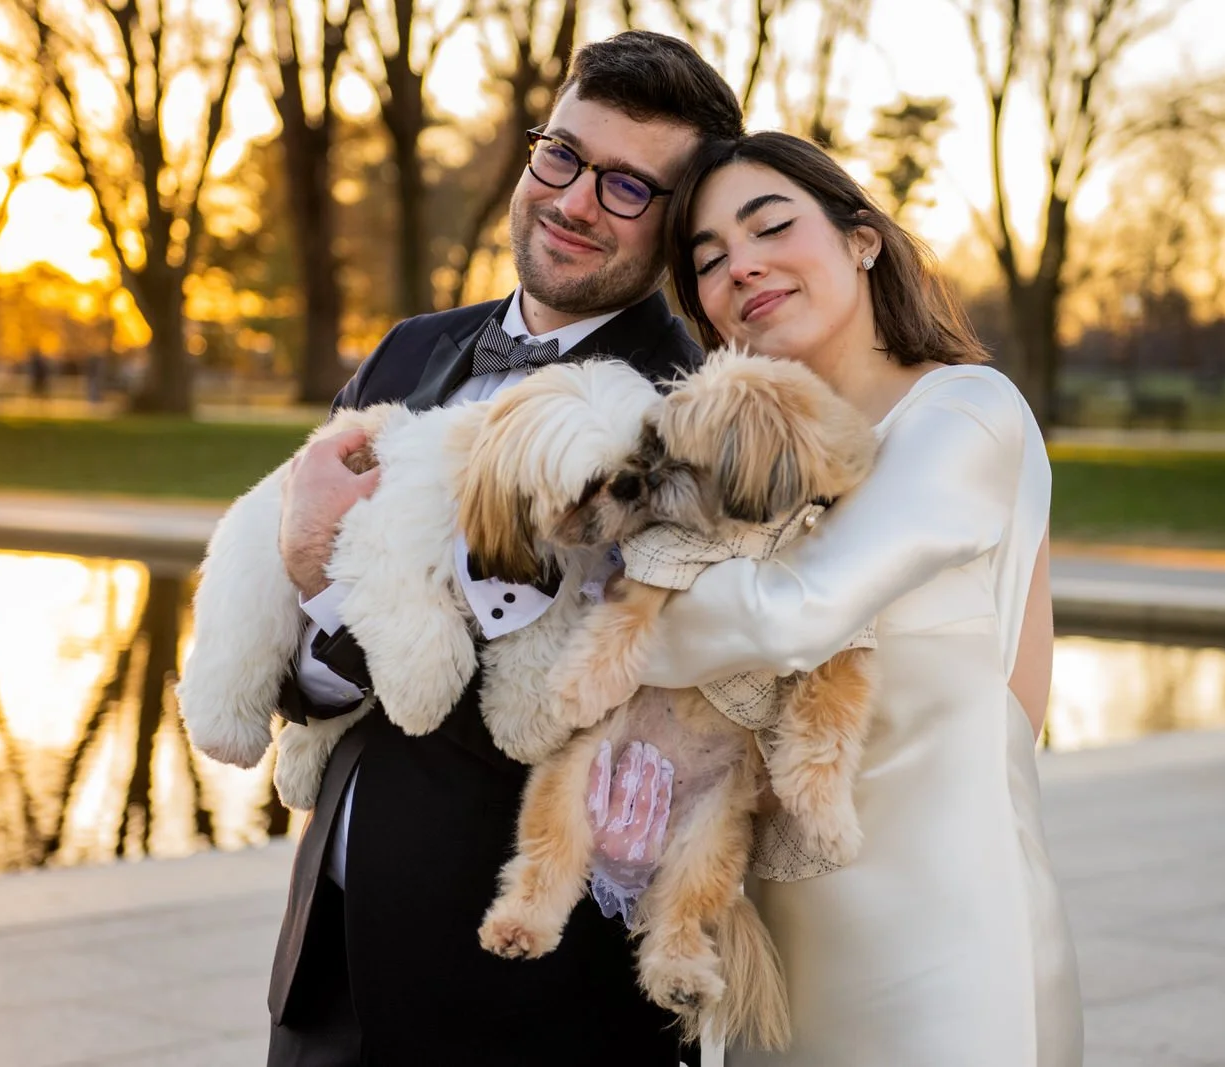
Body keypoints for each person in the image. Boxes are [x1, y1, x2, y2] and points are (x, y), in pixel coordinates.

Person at [261, 31, 743, 1067]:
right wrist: (301, 623)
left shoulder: (687, 419)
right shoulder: (413, 346)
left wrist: (321, 572)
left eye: (626, 187)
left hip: (527, 995)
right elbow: (289, 634)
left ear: (674, 229)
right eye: (560, 154)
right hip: (328, 964)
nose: (572, 200)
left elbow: (583, 694)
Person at [610, 131, 1085, 1064]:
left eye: (769, 226)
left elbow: (794, 611)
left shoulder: (963, 413)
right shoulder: (737, 464)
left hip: (946, 951)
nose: (741, 266)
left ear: (861, 240)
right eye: (708, 262)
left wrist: (607, 624)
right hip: (772, 957)